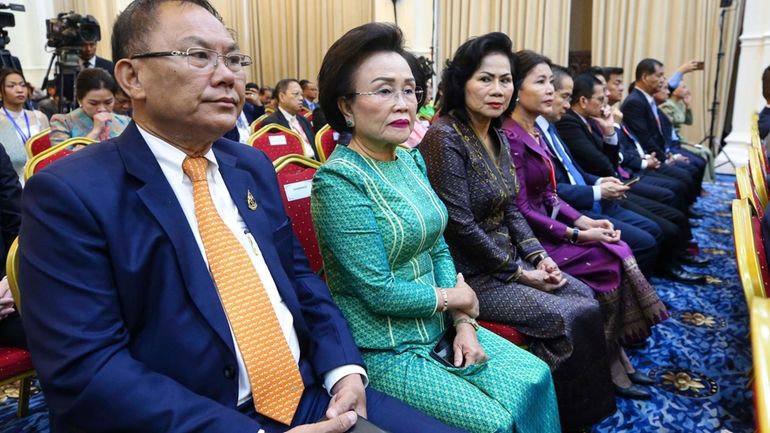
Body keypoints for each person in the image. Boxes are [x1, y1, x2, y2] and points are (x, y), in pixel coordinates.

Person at [19, 2, 463, 432]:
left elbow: (302, 280)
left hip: (309, 396)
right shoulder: (69, 195)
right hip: (198, 417)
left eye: (234, 58)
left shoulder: (248, 168)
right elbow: (89, 370)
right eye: (198, 56)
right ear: (132, 76)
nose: (228, 74)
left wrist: (343, 368)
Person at [311, 23, 560, 433]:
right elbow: (378, 290)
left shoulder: (410, 160)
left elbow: (439, 247)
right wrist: (453, 298)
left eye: (409, 90)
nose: (403, 104)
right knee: (493, 424)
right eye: (384, 90)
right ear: (346, 106)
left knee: (535, 377)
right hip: (388, 347)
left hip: (442, 324)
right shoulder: (339, 181)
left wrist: (464, 322)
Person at [418, 33, 614, 429]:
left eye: (505, 80)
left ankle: (582, 411)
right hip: (470, 276)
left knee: (586, 297)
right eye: (485, 79)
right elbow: (459, 226)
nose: (497, 89)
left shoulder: (497, 134)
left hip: (507, 263)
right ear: (462, 83)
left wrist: (539, 257)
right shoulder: (444, 137)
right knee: (566, 316)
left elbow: (511, 207)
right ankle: (561, 418)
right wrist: (520, 273)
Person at [502, 50, 668, 401]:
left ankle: (617, 354)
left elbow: (549, 195)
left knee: (616, 245)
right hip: (531, 239)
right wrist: (577, 232)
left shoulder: (533, 131)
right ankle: (610, 364)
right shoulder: (510, 137)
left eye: (551, 82)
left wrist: (585, 218)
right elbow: (522, 209)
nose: (550, 90)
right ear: (516, 89)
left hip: (551, 225)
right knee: (607, 258)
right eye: (541, 82)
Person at [49, 67, 130, 146]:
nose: (102, 109)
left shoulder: (125, 122)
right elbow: (63, 158)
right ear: (79, 99)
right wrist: (95, 132)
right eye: (93, 103)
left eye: (108, 102)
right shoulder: (63, 122)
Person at [659, 82, 715, 182]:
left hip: (678, 138)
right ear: (675, 91)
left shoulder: (679, 104)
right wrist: (687, 142)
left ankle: (710, 181)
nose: (687, 90)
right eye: (683, 87)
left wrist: (688, 106)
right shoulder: (668, 106)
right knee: (701, 153)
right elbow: (669, 130)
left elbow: (688, 122)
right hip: (674, 141)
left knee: (706, 151)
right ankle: (704, 183)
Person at [0, 69, 50, 180]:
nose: (19, 90)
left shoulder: (40, 117)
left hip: (42, 177)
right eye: (11, 86)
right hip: (11, 181)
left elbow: (50, 152)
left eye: (23, 85)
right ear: (1, 92)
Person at [262, 79, 318, 159]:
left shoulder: (304, 120)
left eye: (302, 94)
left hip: (315, 164)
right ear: (282, 97)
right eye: (296, 94)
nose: (301, 98)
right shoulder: (272, 124)